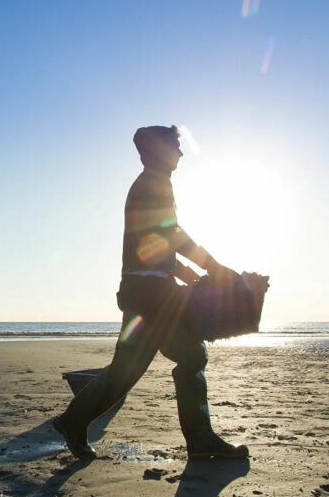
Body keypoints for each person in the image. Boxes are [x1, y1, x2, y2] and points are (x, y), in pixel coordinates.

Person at [53, 125, 249, 460]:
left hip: (153, 291)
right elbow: (170, 233)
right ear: (159, 151)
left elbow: (156, 247)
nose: (181, 153)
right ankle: (74, 421)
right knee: (147, 366)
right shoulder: (151, 184)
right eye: (175, 146)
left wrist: (189, 274)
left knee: (181, 357)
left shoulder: (155, 184)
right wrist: (212, 267)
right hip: (149, 295)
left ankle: (76, 422)